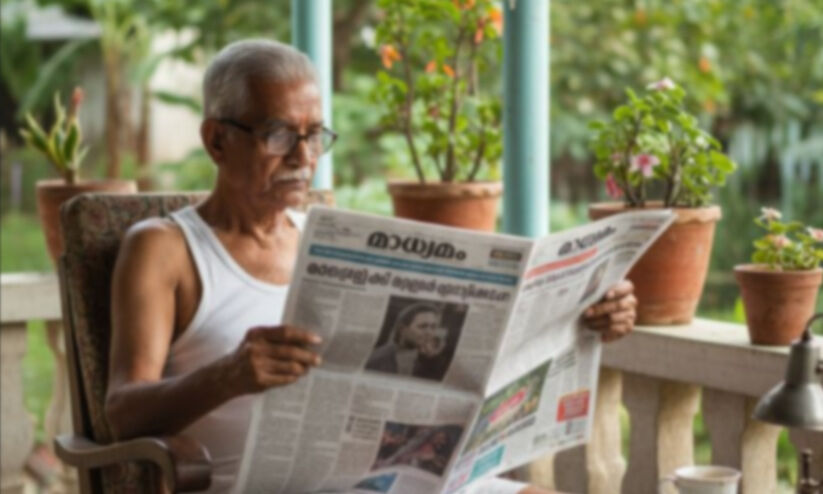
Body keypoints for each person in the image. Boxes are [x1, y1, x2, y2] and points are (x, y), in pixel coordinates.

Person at [105, 39, 638, 494]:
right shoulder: (166, 248)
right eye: (278, 134)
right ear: (217, 140)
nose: (303, 156)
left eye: (314, 134)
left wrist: (585, 313)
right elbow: (122, 412)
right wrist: (228, 376)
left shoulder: (327, 239)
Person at [366, 302, 451, 380]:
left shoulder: (429, 356)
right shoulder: (379, 360)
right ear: (402, 329)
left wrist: (432, 361)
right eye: (423, 326)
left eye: (433, 327)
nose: (429, 333)